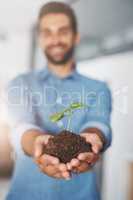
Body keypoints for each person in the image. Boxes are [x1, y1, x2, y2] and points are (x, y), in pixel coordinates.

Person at [6, 2, 112, 200]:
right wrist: (36, 141)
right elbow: (20, 126)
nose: (55, 39)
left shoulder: (98, 88)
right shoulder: (19, 83)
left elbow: (98, 123)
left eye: (62, 31)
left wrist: (92, 137)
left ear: (76, 36)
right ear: (40, 39)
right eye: (47, 32)